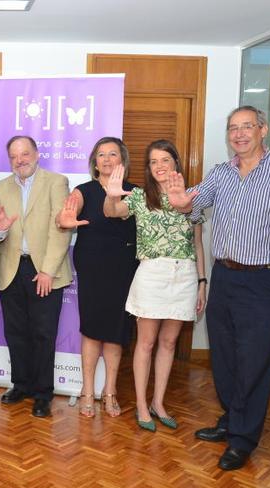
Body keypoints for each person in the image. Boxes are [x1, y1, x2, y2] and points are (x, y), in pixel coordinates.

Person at [167, 106, 270, 470]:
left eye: (246, 127)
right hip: (226, 276)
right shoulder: (220, 173)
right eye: (232, 128)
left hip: (266, 277)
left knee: (254, 360)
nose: (239, 134)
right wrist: (180, 203)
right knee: (224, 357)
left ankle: (242, 439)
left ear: (263, 130)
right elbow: (194, 203)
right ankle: (233, 419)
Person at [102, 140, 206, 432]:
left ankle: (158, 402)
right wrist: (111, 197)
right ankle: (141, 405)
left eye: (165, 160)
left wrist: (201, 281)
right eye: (153, 161)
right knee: (145, 343)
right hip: (151, 274)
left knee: (169, 342)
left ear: (175, 163)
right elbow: (112, 212)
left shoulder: (189, 196)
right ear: (148, 168)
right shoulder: (138, 195)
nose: (159, 166)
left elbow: (197, 243)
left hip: (184, 274)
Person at [56, 137, 138, 418]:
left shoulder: (135, 192)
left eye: (112, 154)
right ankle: (87, 391)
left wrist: (115, 196)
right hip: (92, 267)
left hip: (124, 268)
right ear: (94, 161)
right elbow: (67, 211)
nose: (105, 159)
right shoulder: (83, 190)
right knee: (91, 329)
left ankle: (110, 391)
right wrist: (62, 219)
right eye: (100, 154)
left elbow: (118, 212)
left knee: (116, 332)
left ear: (122, 160)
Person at [0, 136, 71, 418]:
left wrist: (47, 270)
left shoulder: (56, 182)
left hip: (45, 269)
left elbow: (61, 229)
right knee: (15, 332)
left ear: (37, 154)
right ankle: (20, 384)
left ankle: (42, 393)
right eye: (14, 156)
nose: (20, 160)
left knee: (43, 334)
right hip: (12, 268)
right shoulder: (0, 188)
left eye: (25, 154)